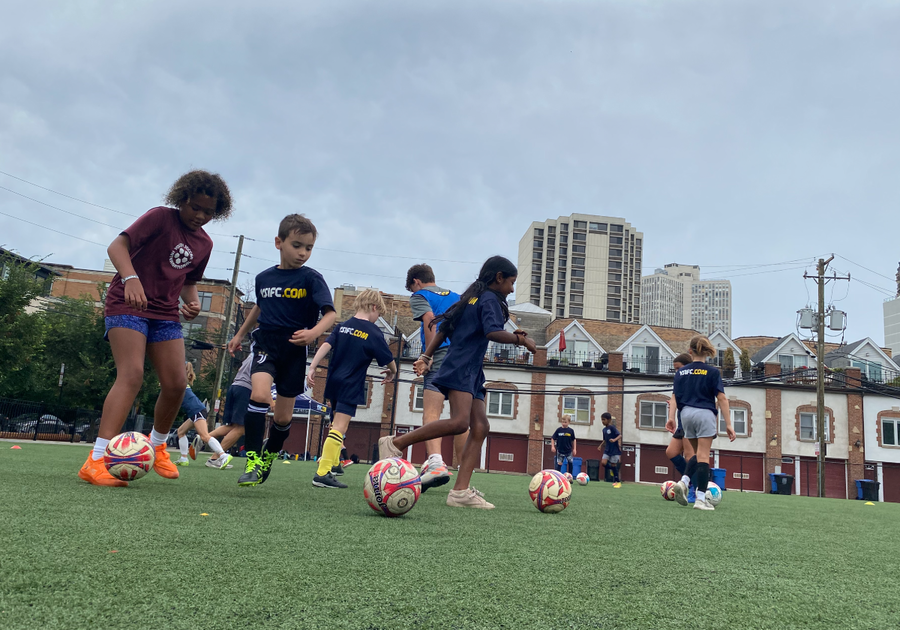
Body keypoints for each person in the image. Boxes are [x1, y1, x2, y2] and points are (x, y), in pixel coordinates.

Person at [78, 170, 232, 487]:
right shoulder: (160, 217)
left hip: (164, 313)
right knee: (132, 374)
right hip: (127, 303)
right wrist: (131, 278)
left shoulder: (205, 243)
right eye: (195, 208)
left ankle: (158, 445)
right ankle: (95, 461)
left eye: (209, 212)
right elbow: (116, 247)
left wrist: (192, 303)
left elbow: (189, 282)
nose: (201, 216)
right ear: (182, 200)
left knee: (177, 384)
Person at [378, 256, 537, 509]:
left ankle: (460, 492)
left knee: (481, 426)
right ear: (498, 278)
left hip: (470, 368)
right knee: (460, 422)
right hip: (462, 366)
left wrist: (426, 355)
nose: (512, 289)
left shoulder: (470, 298)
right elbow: (492, 332)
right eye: (511, 282)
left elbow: (442, 329)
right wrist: (521, 341)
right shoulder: (489, 300)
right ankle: (395, 443)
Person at [227, 214, 336, 487]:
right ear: (279, 242)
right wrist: (239, 334)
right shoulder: (264, 278)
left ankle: (268, 457)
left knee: (283, 417)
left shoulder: (312, 279)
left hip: (294, 350)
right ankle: (252, 459)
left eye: (308, 248)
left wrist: (313, 332)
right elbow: (260, 306)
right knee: (260, 394)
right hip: (266, 343)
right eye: (297, 245)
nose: (303, 253)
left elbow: (330, 315)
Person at [306, 289, 397, 488]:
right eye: (378, 315)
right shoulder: (373, 332)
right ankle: (322, 473)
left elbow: (325, 345)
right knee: (340, 426)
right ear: (374, 308)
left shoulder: (342, 326)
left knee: (334, 424)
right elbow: (389, 360)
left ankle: (335, 464)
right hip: (350, 384)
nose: (377, 318)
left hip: (333, 381)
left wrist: (312, 366)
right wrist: (392, 371)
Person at [406, 263, 463, 491]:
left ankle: (436, 463)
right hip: (462, 356)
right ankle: (464, 478)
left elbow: (429, 319)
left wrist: (427, 356)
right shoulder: (457, 297)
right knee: (461, 418)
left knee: (432, 411)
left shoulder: (420, 295)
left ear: (416, 282)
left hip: (439, 353)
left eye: (411, 288)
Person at [671, 336, 736, 511]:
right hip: (704, 413)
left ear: (690, 351)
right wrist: (729, 424)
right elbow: (721, 398)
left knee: (695, 455)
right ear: (707, 352)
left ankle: (683, 482)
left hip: (685, 415)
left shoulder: (680, 373)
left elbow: (675, 397)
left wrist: (672, 417)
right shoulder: (713, 372)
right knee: (704, 457)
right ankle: (700, 499)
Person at [173, 363, 232, 469]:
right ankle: (183, 458)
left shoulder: (179, 381)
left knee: (204, 436)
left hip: (197, 411)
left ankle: (223, 456)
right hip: (196, 411)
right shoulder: (180, 380)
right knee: (181, 432)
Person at [203, 354, 253, 463]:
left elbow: (240, 368)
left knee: (232, 427)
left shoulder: (253, 352)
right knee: (241, 428)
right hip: (245, 389)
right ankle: (215, 458)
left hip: (235, 386)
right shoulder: (267, 353)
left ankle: (203, 437)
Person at [665, 353, 694, 483]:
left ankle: (697, 485)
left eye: (678, 368)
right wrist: (671, 418)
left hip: (690, 421)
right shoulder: (678, 381)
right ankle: (692, 479)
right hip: (682, 423)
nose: (676, 372)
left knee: (689, 456)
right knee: (671, 452)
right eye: (675, 369)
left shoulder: (694, 381)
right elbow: (674, 399)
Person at [597, 412, 622, 486]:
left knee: (613, 464)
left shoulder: (612, 428)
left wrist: (614, 440)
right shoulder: (604, 430)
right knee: (603, 463)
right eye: (601, 420)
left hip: (614, 449)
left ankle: (617, 481)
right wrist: (600, 445)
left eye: (604, 420)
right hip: (607, 449)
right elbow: (605, 439)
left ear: (609, 420)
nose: (602, 421)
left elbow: (620, 435)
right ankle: (612, 469)